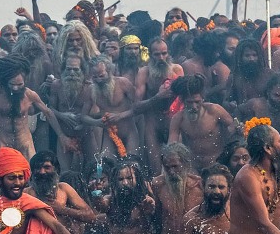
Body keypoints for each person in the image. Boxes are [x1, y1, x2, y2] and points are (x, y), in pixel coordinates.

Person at [0, 54, 75, 160]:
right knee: (0, 175)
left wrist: (61, 136)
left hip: (25, 145)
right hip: (4, 144)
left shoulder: (29, 95)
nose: (15, 88)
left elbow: (48, 113)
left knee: (31, 174)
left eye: (19, 85)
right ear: (5, 82)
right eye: (12, 84)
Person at [25, 151, 95, 234]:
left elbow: (90, 216)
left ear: (56, 169)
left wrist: (61, 209)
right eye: (38, 168)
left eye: (46, 167)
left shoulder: (64, 189)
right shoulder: (27, 194)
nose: (42, 172)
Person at [133, 37, 184, 174]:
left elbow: (185, 99)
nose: (161, 58)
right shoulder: (144, 73)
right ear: (150, 55)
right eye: (157, 54)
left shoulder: (177, 70)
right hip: (152, 124)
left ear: (168, 53)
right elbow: (136, 106)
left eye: (164, 53)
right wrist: (157, 97)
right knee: (156, 169)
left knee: (176, 164)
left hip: (173, 122)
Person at [168, 74, 236, 172]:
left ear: (202, 99)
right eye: (190, 102)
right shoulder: (178, 119)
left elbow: (234, 127)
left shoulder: (215, 110)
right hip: (193, 168)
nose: (194, 107)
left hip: (219, 165)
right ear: (182, 101)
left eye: (197, 102)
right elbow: (172, 147)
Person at [151, 143, 203, 234]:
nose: (171, 172)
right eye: (167, 167)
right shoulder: (158, 185)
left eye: (175, 166)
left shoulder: (200, 186)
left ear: (186, 164)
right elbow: (157, 218)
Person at [82, 55, 139, 156]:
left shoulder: (123, 83)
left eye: (101, 76)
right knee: (106, 166)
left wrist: (120, 116)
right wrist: (97, 122)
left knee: (132, 165)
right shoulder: (91, 90)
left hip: (129, 132)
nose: (99, 80)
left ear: (109, 72)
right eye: (94, 77)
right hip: (109, 133)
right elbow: (83, 116)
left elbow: (139, 107)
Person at [103, 160, 156, 234]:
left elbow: (155, 228)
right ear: (114, 181)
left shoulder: (145, 202)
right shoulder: (110, 202)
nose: (125, 183)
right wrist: (96, 194)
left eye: (129, 178)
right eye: (120, 179)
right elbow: (100, 206)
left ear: (137, 179)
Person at [47, 55, 95, 171]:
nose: (71, 73)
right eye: (68, 69)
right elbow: (49, 110)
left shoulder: (90, 88)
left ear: (83, 71)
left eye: (76, 69)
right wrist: (62, 116)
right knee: (65, 173)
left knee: (92, 169)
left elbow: (96, 113)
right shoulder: (56, 86)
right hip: (64, 135)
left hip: (86, 135)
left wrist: (84, 121)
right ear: (62, 70)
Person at [181, 31, 230, 102]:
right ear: (209, 51)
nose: (218, 55)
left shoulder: (208, 66)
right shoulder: (189, 66)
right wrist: (219, 87)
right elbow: (194, 95)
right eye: (216, 52)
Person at [226, 39, 274, 109]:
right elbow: (226, 101)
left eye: (254, 55)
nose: (251, 59)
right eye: (247, 55)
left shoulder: (270, 75)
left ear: (259, 57)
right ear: (240, 58)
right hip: (244, 116)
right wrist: (231, 104)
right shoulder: (234, 77)